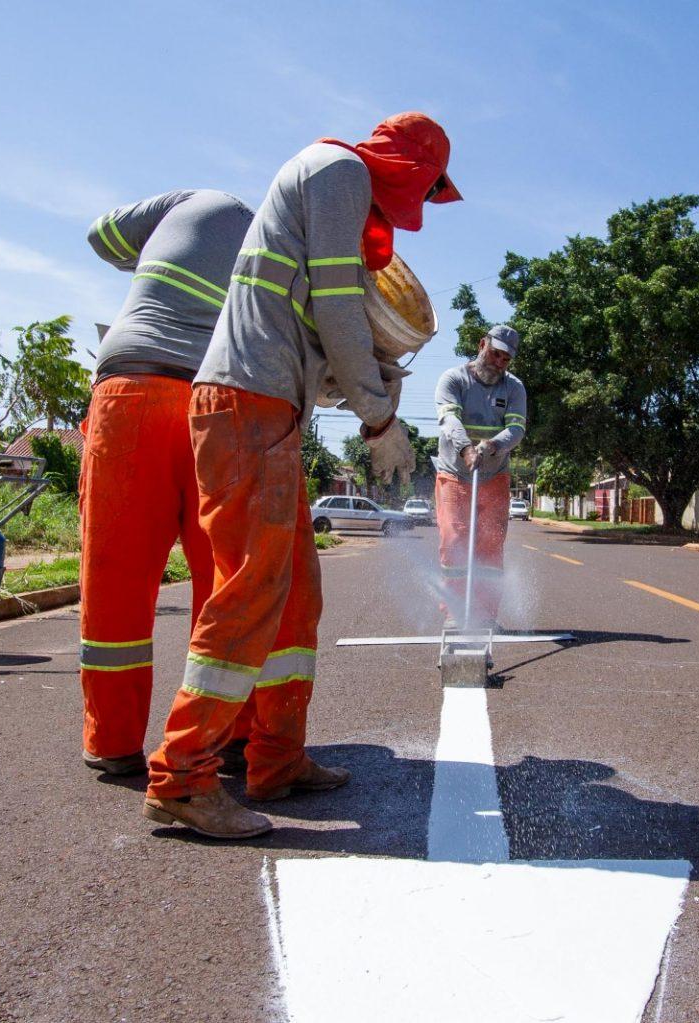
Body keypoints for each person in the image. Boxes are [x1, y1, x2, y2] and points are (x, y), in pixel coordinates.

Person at [141, 112, 460, 839]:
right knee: (253, 587)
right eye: (426, 188)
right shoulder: (338, 171)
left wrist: (369, 385)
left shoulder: (329, 192)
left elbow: (319, 325)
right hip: (246, 405)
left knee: (294, 595)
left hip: (266, 405)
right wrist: (380, 419)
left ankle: (276, 756)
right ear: (410, 167)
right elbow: (342, 307)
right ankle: (183, 775)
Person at [77, 189, 258, 778]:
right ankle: (223, 733)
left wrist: (157, 256)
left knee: (116, 578)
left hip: (132, 389)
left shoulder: (193, 201)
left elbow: (101, 237)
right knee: (224, 581)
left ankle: (112, 741)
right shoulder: (281, 248)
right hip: (218, 402)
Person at [432, 325, 527, 627]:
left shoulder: (514, 388)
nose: (499, 362)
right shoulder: (453, 379)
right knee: (455, 540)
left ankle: (485, 616)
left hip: (494, 474)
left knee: (489, 544)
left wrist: (493, 445)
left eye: (505, 359)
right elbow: (449, 418)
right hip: (454, 472)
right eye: (495, 353)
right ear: (482, 344)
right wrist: (466, 450)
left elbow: (516, 429)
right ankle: (455, 614)